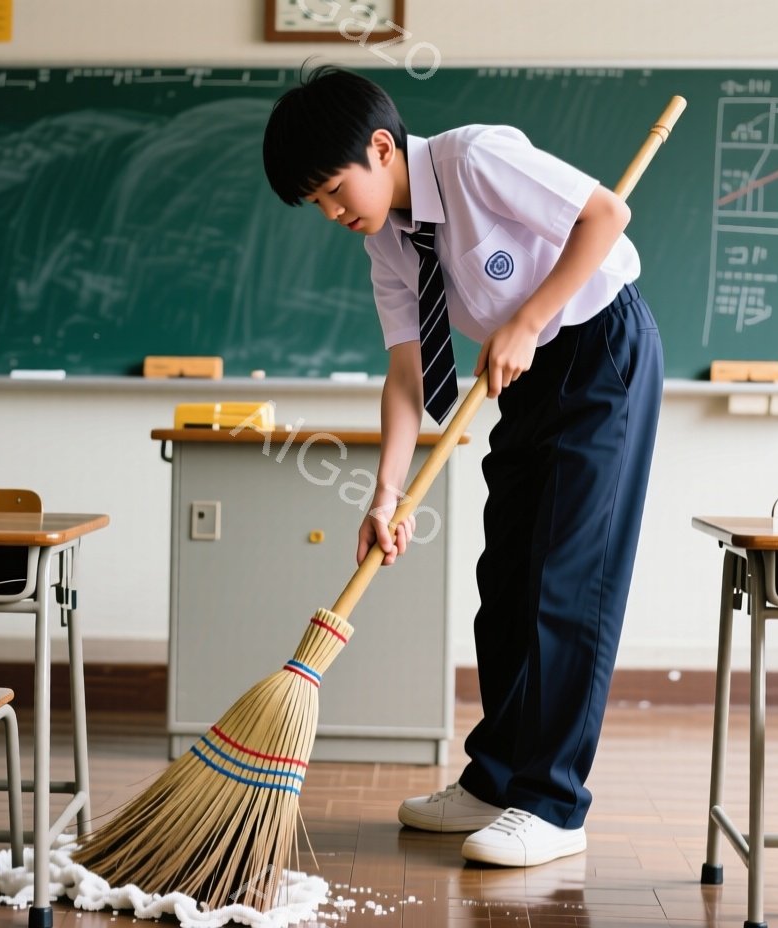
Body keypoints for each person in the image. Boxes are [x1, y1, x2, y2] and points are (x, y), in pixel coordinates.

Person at [262, 66, 662, 867]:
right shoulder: (387, 243)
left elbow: (606, 216)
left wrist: (530, 317)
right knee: (506, 575)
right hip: (525, 376)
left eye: (337, 191)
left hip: (598, 350)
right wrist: (387, 495)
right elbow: (408, 378)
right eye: (320, 206)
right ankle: (497, 777)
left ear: (382, 147)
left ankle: (553, 803)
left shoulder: (476, 159)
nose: (336, 214)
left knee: (566, 582)